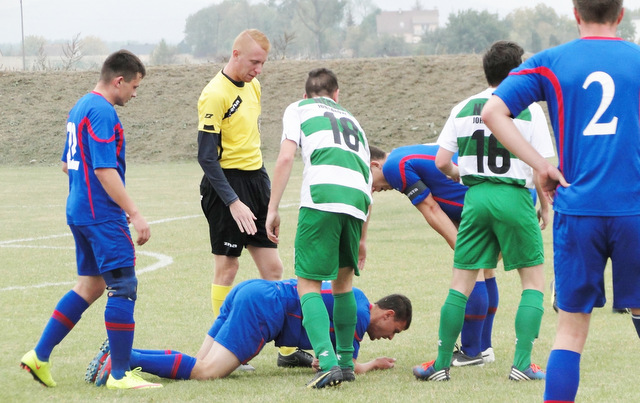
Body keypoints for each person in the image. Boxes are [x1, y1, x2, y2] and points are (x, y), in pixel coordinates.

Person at [481, 2, 640, 401]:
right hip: (634, 210)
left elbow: (493, 111)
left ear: (575, 13)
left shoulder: (551, 61)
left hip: (577, 209)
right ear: (621, 15)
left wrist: (541, 166)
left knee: (570, 331)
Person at [412, 40, 555, 382]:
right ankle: (521, 364)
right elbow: (540, 166)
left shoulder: (462, 107)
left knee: (460, 282)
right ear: (518, 71)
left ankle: (441, 363)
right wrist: (545, 207)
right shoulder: (530, 108)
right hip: (513, 197)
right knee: (532, 282)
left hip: (475, 198)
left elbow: (442, 162)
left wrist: (463, 175)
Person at [19, 50, 161, 390]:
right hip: (101, 215)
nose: (134, 94)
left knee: (91, 285)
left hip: (79, 211)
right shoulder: (101, 111)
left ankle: (39, 356)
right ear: (118, 81)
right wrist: (135, 212)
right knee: (124, 286)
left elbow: (68, 164)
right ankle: (120, 374)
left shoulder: (80, 106)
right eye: (134, 87)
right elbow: (103, 169)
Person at [85, 279, 412, 385]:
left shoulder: (352, 295)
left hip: (251, 290)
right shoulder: (354, 313)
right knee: (206, 372)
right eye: (393, 330)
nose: (389, 337)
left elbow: (321, 360)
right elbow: (344, 367)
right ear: (386, 314)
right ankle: (123, 357)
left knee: (198, 364)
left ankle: (123, 355)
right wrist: (371, 364)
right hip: (264, 306)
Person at [266, 68, 373, 388]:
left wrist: (272, 209)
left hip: (321, 199)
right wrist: (364, 238)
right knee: (343, 286)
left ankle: (326, 362)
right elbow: (366, 175)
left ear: (306, 94)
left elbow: (285, 159)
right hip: (357, 204)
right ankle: (345, 362)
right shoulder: (354, 121)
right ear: (337, 95)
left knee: (308, 284)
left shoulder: (298, 108)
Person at [370, 143, 507, 366]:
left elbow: (431, 209)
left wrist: (463, 251)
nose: (372, 189)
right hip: (503, 195)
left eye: (367, 179)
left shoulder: (395, 166)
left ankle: (472, 353)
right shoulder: (403, 154)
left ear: (375, 165)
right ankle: (484, 347)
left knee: (472, 270)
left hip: (486, 202)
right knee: (486, 270)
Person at [197, 28, 284, 318]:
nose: (258, 70)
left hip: (256, 180)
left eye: (262, 64)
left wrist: (269, 200)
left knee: (273, 268)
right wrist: (233, 202)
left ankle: (286, 350)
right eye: (254, 63)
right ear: (236, 55)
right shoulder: (214, 94)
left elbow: (250, 141)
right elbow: (206, 157)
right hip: (225, 184)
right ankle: (221, 345)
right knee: (228, 268)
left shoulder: (254, 86)